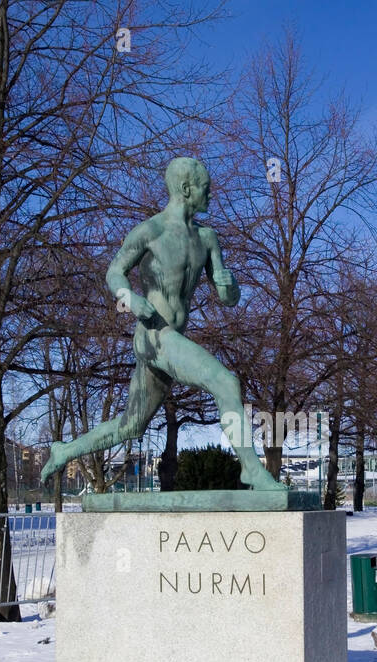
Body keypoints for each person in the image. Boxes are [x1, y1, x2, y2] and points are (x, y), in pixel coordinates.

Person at [39, 157, 284, 491]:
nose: (211, 195)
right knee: (224, 382)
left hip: (171, 341)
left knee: (130, 427)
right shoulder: (150, 232)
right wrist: (129, 298)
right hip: (153, 335)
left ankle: (64, 450)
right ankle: (252, 471)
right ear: (186, 189)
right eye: (206, 189)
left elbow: (228, 298)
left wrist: (230, 286)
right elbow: (114, 271)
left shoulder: (207, 238)